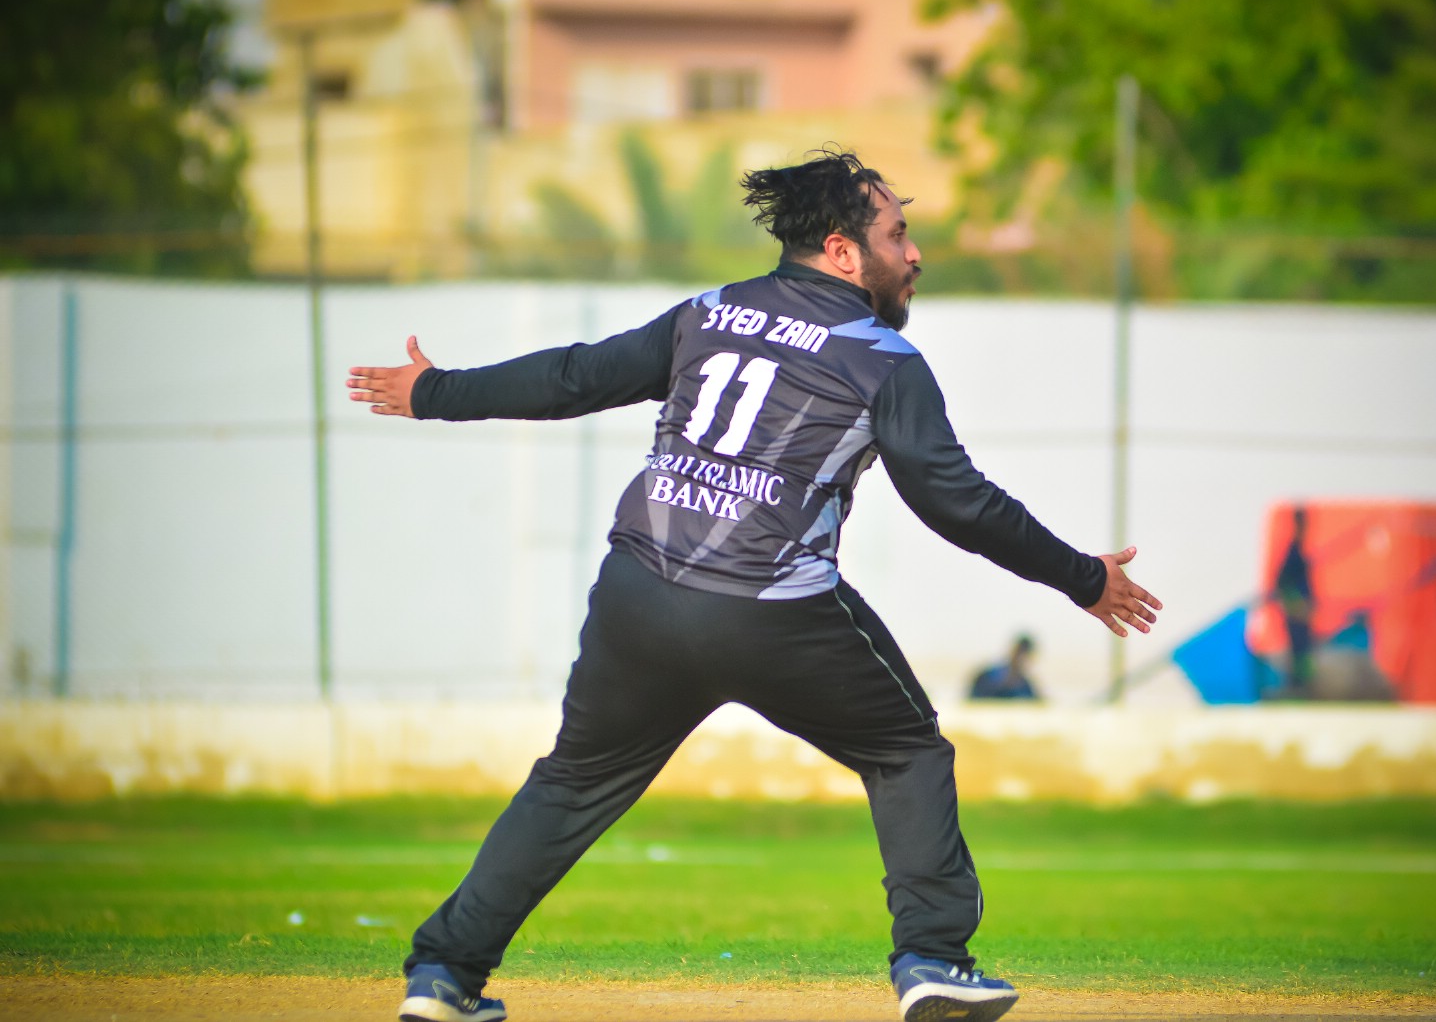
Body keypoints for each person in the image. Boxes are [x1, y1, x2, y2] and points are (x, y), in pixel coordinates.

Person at [348, 147, 1162, 1022]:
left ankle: (443, 977)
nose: (914, 253)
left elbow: (576, 377)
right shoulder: (884, 359)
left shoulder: (709, 312)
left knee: (573, 782)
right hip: (771, 611)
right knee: (906, 751)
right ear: (843, 252)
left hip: (637, 594)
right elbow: (952, 499)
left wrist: (434, 391)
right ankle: (933, 961)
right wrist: (1082, 577)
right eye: (898, 234)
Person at [1273, 506, 1316, 696]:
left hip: (1302, 613)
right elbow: (1282, 583)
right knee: (1298, 650)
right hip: (1296, 614)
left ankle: (1303, 685)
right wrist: (1296, 604)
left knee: (1304, 649)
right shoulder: (1294, 551)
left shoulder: (1300, 550)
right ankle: (1297, 687)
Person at [968, 634, 1042, 701]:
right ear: (1013, 652)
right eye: (1019, 653)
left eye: (1025, 656)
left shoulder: (1025, 687)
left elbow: (1035, 704)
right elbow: (973, 702)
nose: (1020, 659)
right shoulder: (987, 677)